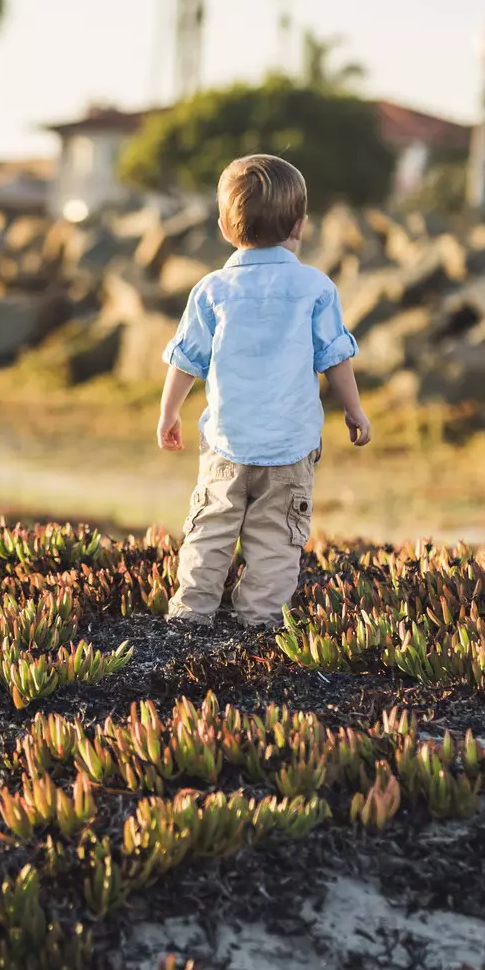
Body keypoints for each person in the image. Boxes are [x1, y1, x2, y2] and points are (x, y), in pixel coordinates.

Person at [155, 154, 372, 628]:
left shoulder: (212, 290)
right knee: (276, 538)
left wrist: (169, 412)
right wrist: (354, 410)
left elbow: (186, 357)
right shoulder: (316, 287)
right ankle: (259, 620)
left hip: (227, 443)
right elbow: (335, 355)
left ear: (223, 227)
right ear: (300, 224)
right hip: (290, 447)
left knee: (210, 529)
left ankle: (191, 614)